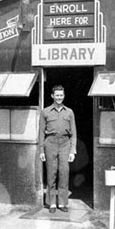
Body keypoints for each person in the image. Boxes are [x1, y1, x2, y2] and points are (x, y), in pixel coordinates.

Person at [39, 85, 77, 213]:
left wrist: (72, 150)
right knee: (51, 173)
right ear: (52, 96)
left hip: (65, 143)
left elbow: (74, 133)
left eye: (61, 95)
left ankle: (62, 203)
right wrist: (41, 150)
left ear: (64, 96)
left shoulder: (69, 112)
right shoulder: (45, 112)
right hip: (50, 143)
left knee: (64, 173)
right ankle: (52, 203)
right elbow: (41, 133)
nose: (59, 97)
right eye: (57, 95)